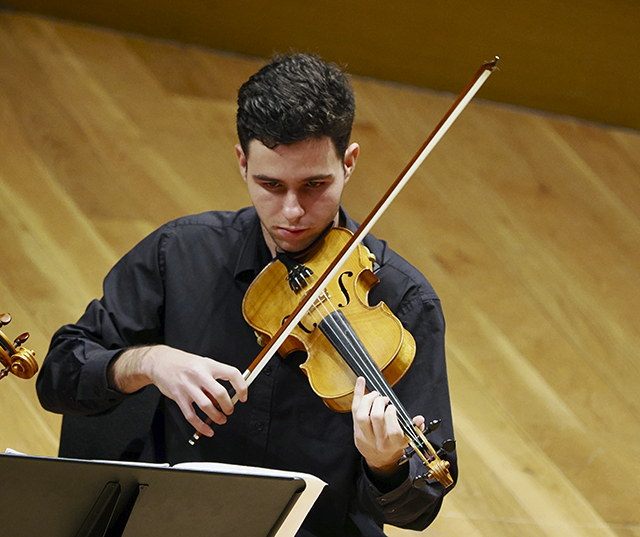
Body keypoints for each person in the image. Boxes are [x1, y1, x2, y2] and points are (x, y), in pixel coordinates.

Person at [36, 53, 457, 536]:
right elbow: (60, 376)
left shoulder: (401, 301)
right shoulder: (180, 254)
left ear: (349, 163)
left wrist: (385, 465)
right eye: (270, 185)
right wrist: (147, 362)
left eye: (315, 185)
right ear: (242, 163)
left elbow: (419, 508)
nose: (292, 211)